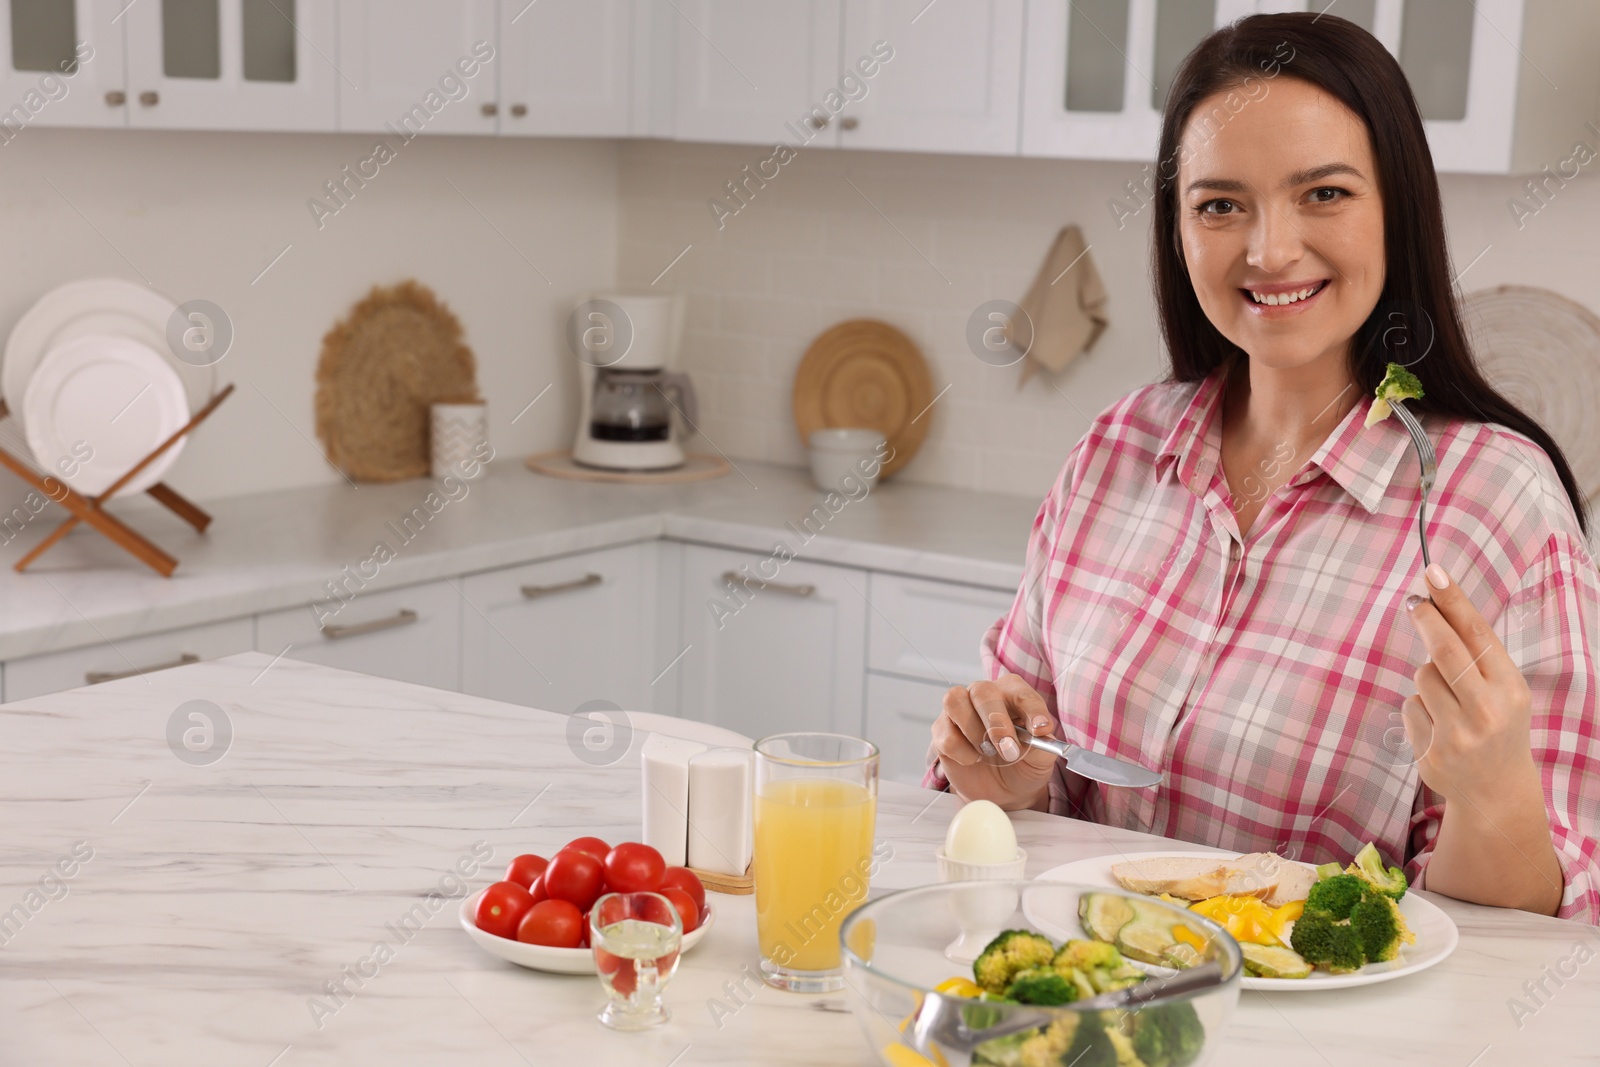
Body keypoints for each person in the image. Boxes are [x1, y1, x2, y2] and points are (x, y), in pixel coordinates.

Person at [926, 12, 1599, 923]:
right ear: (1178, 229)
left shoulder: (1499, 504)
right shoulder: (1113, 451)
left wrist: (1492, 791)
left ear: (1397, 208)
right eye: (1220, 204)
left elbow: (1528, 936)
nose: (1269, 250)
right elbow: (1022, 782)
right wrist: (993, 766)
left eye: (1323, 194)